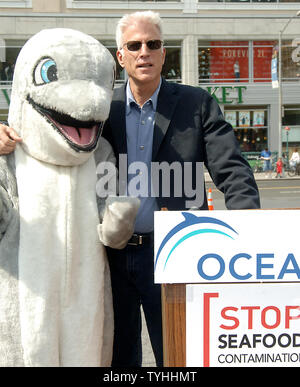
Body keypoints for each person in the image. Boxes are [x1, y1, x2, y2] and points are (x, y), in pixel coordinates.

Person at [0, 10, 260, 367]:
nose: (144, 52)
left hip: (175, 254)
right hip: (114, 257)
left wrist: (252, 231)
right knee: (118, 359)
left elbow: (231, 169)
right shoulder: (104, 109)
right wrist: (5, 132)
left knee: (178, 356)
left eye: (152, 44)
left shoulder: (196, 104)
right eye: (134, 46)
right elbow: (46, 134)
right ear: (120, 56)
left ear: (163, 53)